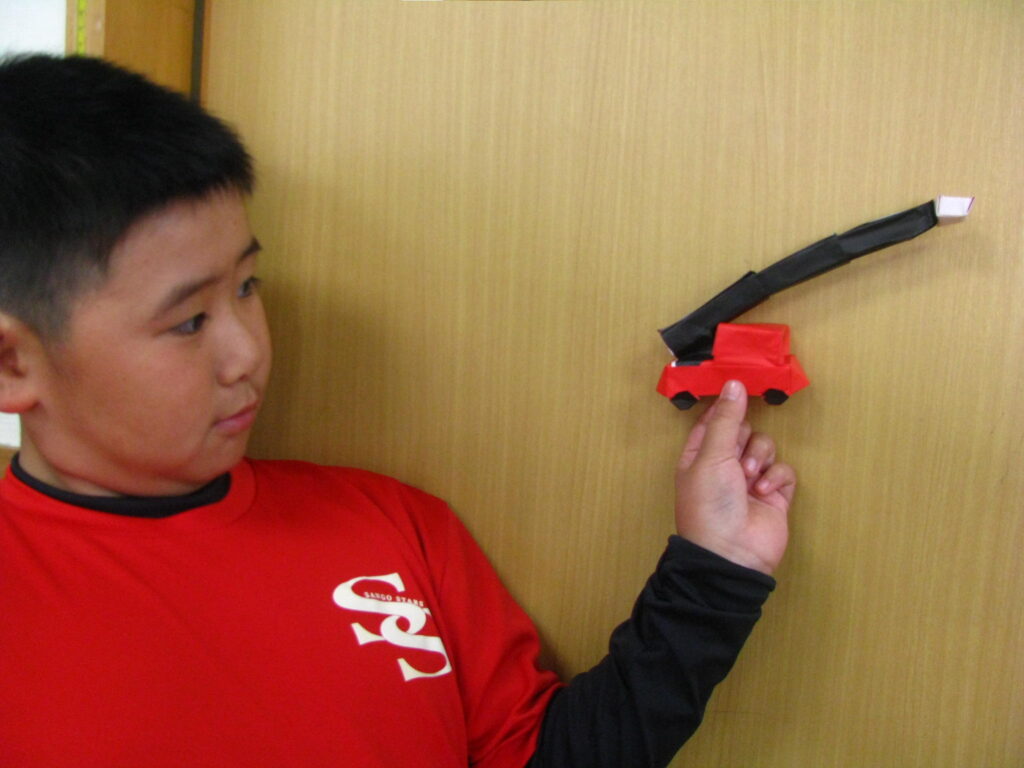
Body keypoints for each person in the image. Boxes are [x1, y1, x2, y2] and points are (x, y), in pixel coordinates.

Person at [0, 54, 795, 767]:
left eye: (246, 286)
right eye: (187, 321)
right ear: (12, 364)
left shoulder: (391, 525)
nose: (247, 352)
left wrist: (713, 572)